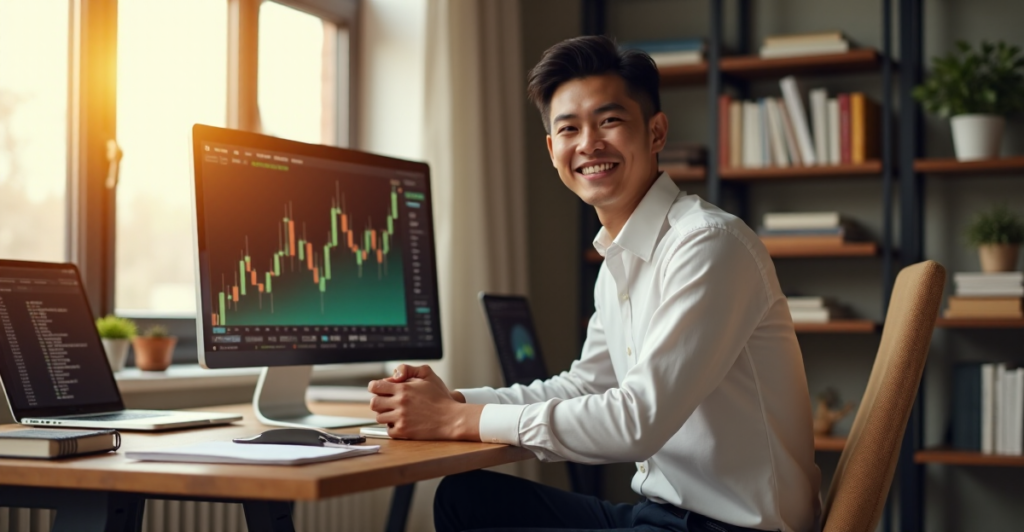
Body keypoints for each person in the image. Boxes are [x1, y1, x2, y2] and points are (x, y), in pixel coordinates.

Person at [368, 35, 822, 532]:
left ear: (656, 132)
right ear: (552, 149)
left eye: (609, 121)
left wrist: (460, 422)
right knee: (468, 497)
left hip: (729, 527)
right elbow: (585, 386)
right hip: (662, 517)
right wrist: (454, 402)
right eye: (569, 129)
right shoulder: (619, 261)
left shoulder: (708, 245)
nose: (588, 144)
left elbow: (637, 421)